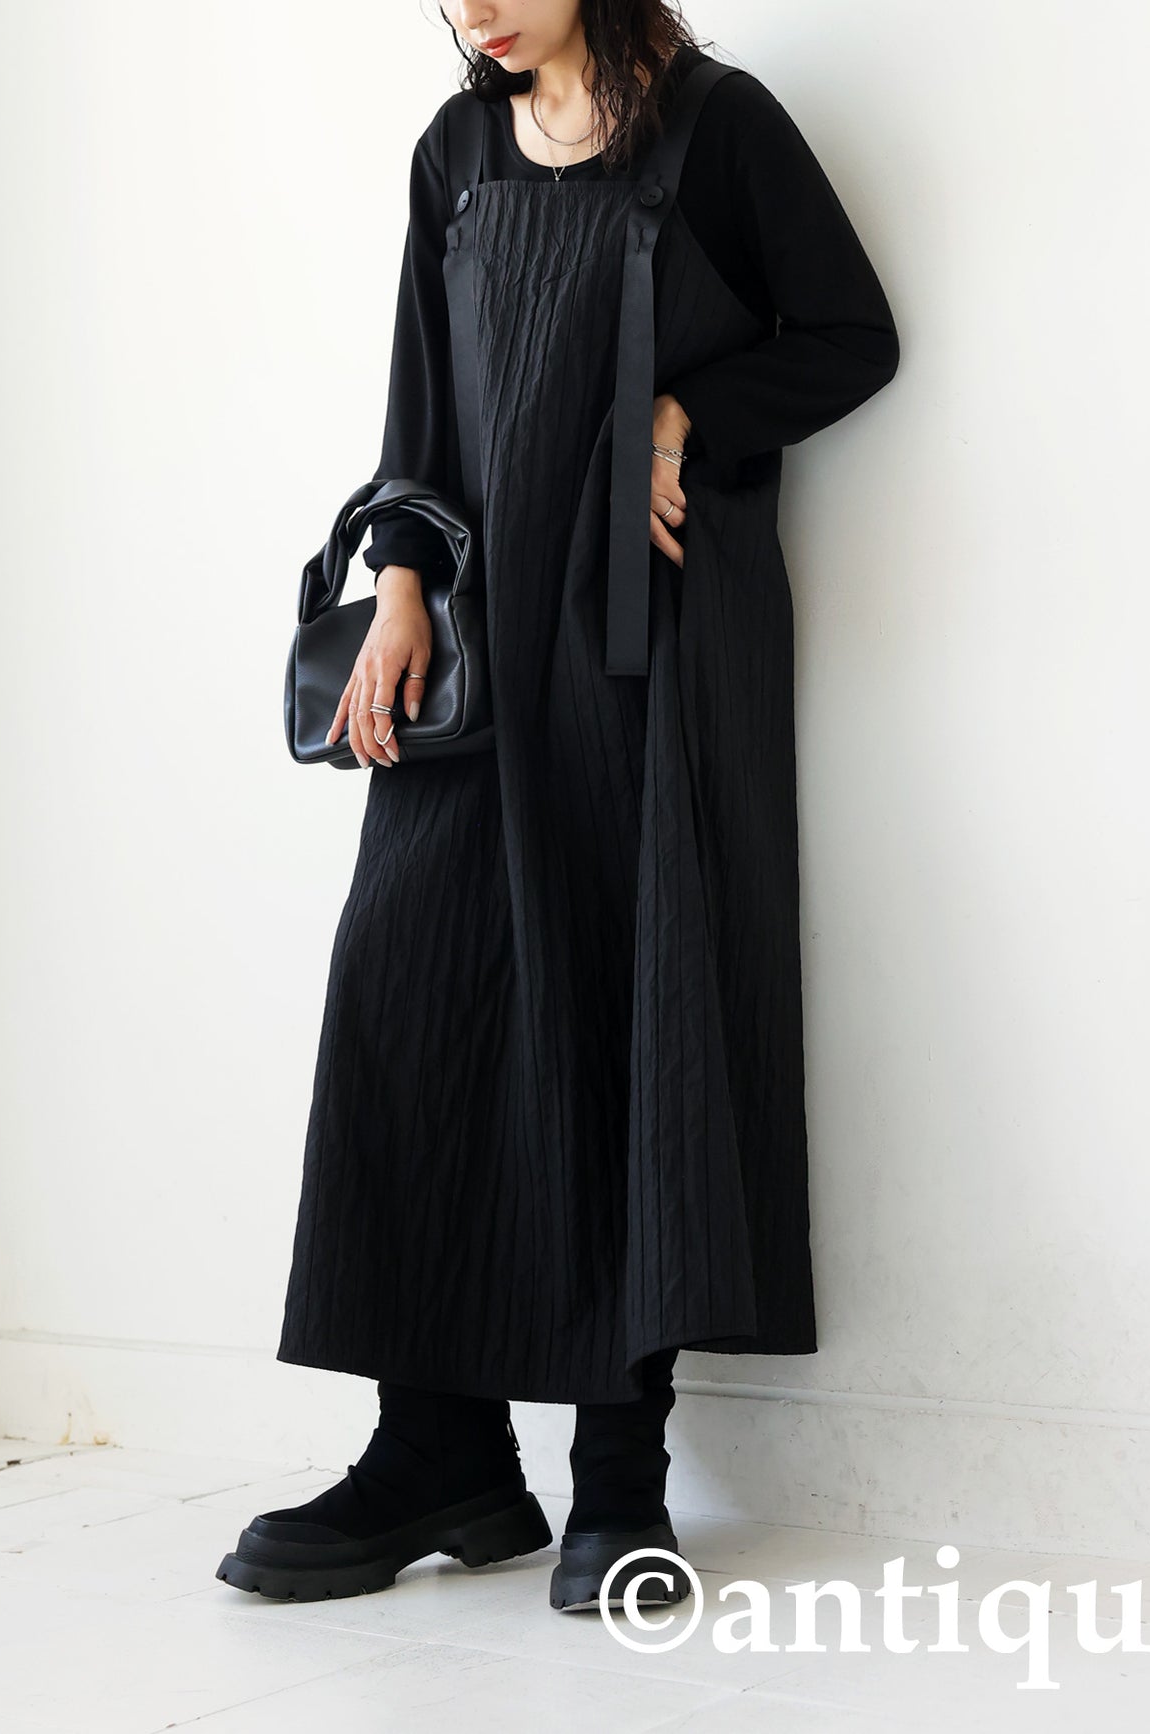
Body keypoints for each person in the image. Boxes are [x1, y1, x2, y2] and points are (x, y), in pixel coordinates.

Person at [218, 0, 899, 1613]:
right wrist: (397, 583)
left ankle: (617, 1477)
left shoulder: (718, 129)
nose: (473, 8)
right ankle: (438, 1451)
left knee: (621, 1010)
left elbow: (847, 333)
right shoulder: (456, 149)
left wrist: (683, 413)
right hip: (472, 652)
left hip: (644, 651)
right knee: (411, 1002)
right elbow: (421, 405)